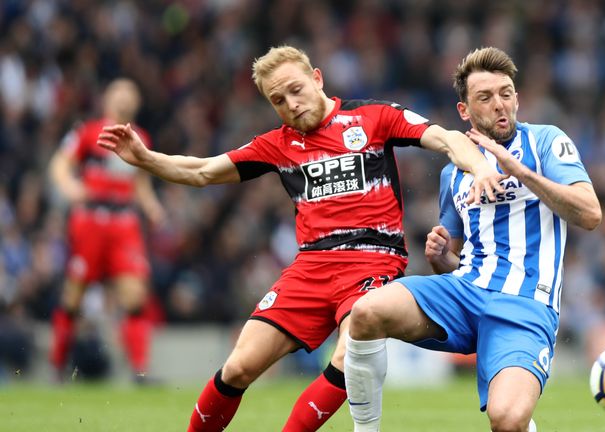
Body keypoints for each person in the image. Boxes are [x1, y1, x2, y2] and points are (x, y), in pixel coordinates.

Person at [96, 45, 503, 432]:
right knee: (239, 366)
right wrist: (146, 159)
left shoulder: (373, 117)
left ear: (317, 78)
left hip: (373, 261)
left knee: (348, 356)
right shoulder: (276, 145)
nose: (291, 103)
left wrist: (480, 169)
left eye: (296, 89)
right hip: (309, 268)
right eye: (278, 99)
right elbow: (202, 171)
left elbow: (448, 139)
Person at [343, 47, 602, 432]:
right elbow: (460, 259)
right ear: (464, 110)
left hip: (525, 306)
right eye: (485, 97)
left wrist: (522, 172)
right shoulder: (455, 173)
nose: (500, 104)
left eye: (506, 93)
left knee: (508, 420)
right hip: (464, 293)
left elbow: (590, 213)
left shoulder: (545, 141)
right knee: (363, 314)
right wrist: (441, 258)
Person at [48, 78, 165, 382]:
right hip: (90, 222)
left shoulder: (141, 138)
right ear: (106, 99)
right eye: (119, 92)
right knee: (73, 299)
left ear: (137, 102)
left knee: (135, 297)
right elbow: (60, 164)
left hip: (124, 225)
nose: (125, 98)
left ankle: (141, 372)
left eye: (131, 93)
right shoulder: (87, 133)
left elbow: (140, 182)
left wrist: (151, 207)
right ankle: (57, 366)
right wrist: (69, 185)